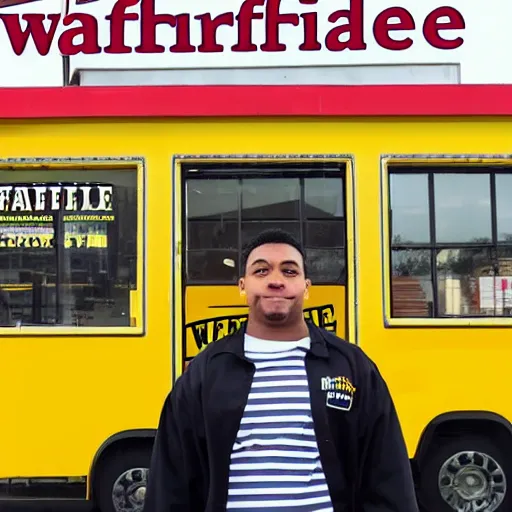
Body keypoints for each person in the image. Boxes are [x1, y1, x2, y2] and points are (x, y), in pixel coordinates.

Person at [143, 229, 419, 512]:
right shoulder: (204, 374)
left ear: (307, 287)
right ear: (242, 286)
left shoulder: (352, 367)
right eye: (261, 271)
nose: (276, 281)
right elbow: (171, 483)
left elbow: (388, 476)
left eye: (289, 271)